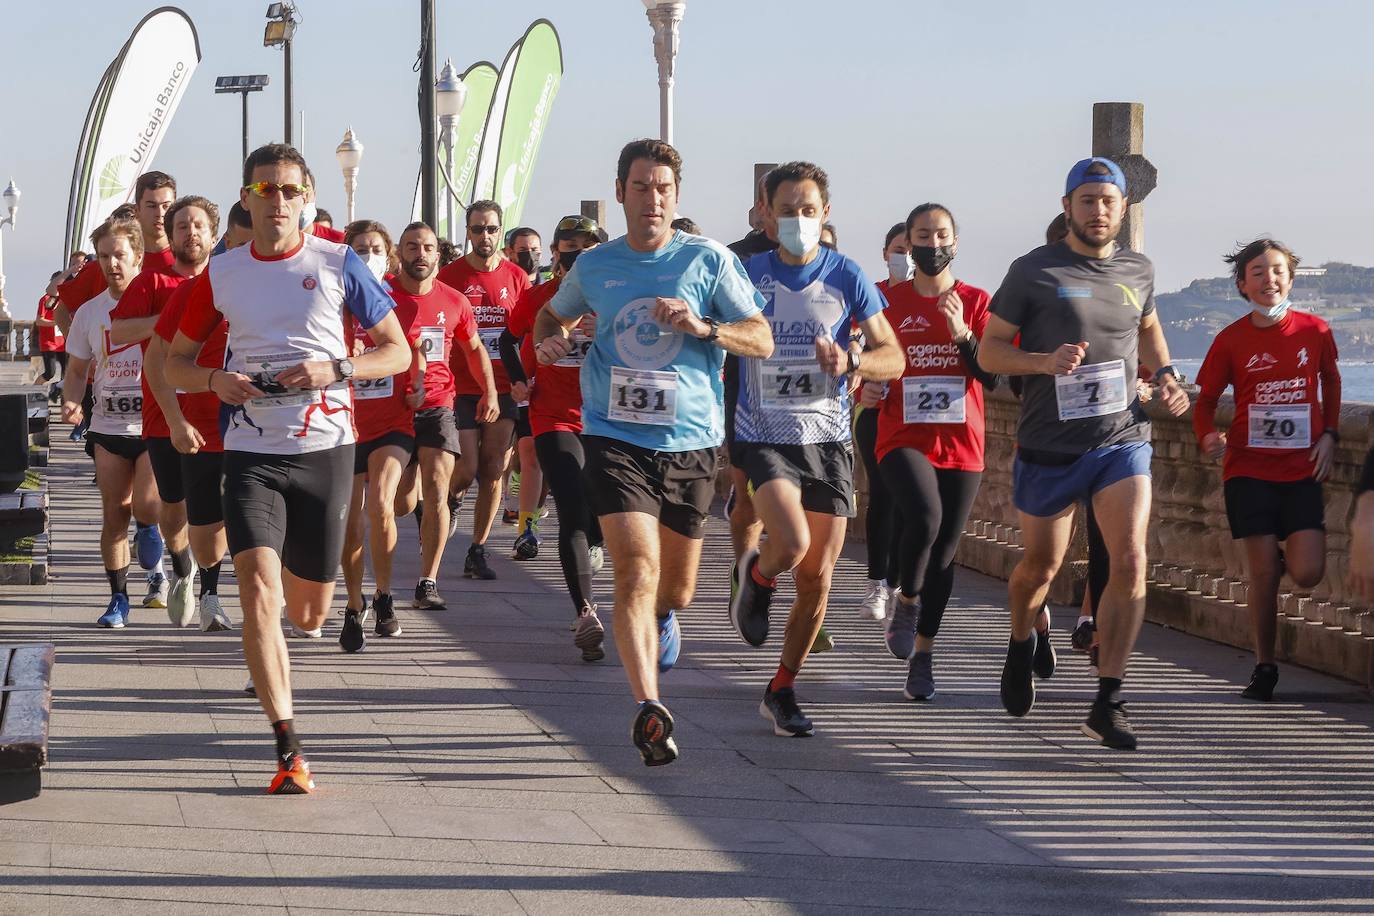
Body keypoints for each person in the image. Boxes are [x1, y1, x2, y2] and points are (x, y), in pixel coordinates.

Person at [166, 143, 410, 795]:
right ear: (245, 199)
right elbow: (175, 362)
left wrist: (339, 368)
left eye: (290, 190)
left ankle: (290, 644)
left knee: (305, 612)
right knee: (257, 594)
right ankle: (288, 747)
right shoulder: (221, 276)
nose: (278, 201)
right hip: (250, 452)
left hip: (326, 451)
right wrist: (214, 379)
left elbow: (398, 351)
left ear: (308, 197)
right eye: (265, 190)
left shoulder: (338, 262)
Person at [534, 138, 772, 765]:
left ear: (676, 195)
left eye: (663, 187)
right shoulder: (595, 266)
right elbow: (548, 320)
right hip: (614, 436)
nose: (652, 198)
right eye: (640, 186)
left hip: (691, 444)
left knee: (678, 590)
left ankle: (665, 619)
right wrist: (551, 342)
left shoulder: (709, 260)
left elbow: (762, 338)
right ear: (621, 194)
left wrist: (703, 328)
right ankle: (649, 705)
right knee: (636, 568)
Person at [978, 157, 1190, 750]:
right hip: (1050, 443)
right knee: (1039, 570)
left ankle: (1108, 697)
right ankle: (1021, 640)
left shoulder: (1138, 269)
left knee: (1128, 559)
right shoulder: (1033, 270)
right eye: (1088, 200)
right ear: (1067, 205)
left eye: (1109, 201)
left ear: (1125, 209)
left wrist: (1167, 372)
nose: (1099, 210)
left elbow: (1146, 327)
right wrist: (1042, 363)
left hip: (1121, 438)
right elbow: (991, 351)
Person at [728, 161, 902, 737]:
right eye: (786, 210)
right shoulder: (745, 274)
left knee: (820, 582)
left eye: (808, 209)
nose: (798, 219)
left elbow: (892, 356)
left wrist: (852, 361)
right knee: (795, 544)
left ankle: (782, 688)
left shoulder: (848, 276)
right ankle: (758, 577)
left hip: (827, 442)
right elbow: (711, 335)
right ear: (766, 214)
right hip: (765, 436)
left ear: (825, 213)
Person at [860, 203, 998, 700]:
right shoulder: (883, 302)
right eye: (923, 235)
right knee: (922, 515)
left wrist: (962, 333)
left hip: (962, 444)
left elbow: (992, 376)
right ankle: (908, 598)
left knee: (943, 555)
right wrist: (866, 389)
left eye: (942, 235)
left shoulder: (977, 301)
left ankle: (923, 654)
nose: (933, 244)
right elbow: (864, 362)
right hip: (901, 436)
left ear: (955, 243)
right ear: (909, 242)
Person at [1194, 238, 1339, 701]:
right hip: (1248, 469)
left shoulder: (1315, 331)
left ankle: (1280, 559)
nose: (1268, 279)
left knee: (1310, 572)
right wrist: (1207, 437)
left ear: (1290, 278)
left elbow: (1331, 382)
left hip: (1300, 468)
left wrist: (1331, 435)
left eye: (1276, 271)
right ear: (1242, 284)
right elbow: (1207, 401)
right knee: (1261, 577)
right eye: (1257, 272)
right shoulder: (1230, 339)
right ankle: (1264, 666)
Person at [109, 195, 220, 629]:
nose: (190, 233)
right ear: (168, 237)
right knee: (171, 507)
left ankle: (211, 592)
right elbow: (118, 329)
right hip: (164, 412)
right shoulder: (152, 283)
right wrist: (174, 319)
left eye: (198, 226)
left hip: (220, 414)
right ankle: (181, 566)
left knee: (214, 508)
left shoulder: (229, 282)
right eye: (181, 227)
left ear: (213, 235)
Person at [501, 214, 607, 660]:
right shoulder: (540, 297)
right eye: (568, 247)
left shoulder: (612, 295)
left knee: (596, 508)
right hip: (552, 414)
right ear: (557, 254)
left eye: (587, 247)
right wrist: (518, 379)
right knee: (569, 504)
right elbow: (508, 340)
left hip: (605, 418)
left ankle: (596, 540)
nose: (576, 254)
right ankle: (585, 613)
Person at [61, 217, 162, 628]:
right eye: (104, 256)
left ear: (138, 256)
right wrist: (72, 402)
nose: (111, 264)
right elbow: (75, 370)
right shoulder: (89, 313)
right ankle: (118, 600)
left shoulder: (160, 304)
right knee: (114, 512)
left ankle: (152, 528)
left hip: (154, 424)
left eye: (119, 255)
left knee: (146, 505)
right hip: (108, 425)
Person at [149, 211, 247, 636]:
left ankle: (258, 598)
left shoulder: (288, 290)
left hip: (267, 432)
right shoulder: (195, 290)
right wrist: (175, 420)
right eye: (242, 242)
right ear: (227, 241)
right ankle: (201, 580)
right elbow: (158, 361)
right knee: (204, 530)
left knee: (253, 516)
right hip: (203, 427)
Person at [384, 223, 491, 610]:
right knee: (398, 502)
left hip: (438, 403)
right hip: (391, 408)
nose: (420, 254)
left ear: (438, 254)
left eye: (428, 247)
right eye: (412, 246)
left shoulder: (454, 300)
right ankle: (408, 492)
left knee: (437, 486)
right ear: (400, 251)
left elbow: (475, 348)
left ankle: (427, 581)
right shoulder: (381, 295)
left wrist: (489, 391)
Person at [338, 219, 426, 652]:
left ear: (388, 254)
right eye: (359, 248)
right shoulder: (332, 298)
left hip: (393, 422)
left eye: (375, 248)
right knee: (350, 521)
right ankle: (355, 604)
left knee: (381, 505)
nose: (368, 255)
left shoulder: (398, 299)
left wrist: (419, 384)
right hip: (344, 423)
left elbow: (414, 350)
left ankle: (385, 593)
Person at [437, 200, 527, 579]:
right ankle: (451, 501)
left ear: (500, 232)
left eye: (491, 229)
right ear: (468, 233)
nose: (484, 236)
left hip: (503, 386)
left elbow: (525, 331)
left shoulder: (516, 278)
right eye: (477, 229)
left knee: (493, 470)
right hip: (461, 386)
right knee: (467, 466)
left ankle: (478, 548)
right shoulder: (450, 276)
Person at [853, 222, 913, 620]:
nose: (904, 256)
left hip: (923, 417)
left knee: (914, 505)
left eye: (910, 248)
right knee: (884, 497)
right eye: (897, 249)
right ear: (885, 253)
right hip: (876, 413)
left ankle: (899, 582)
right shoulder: (870, 296)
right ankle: (878, 584)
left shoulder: (941, 298)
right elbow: (851, 351)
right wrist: (862, 391)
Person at [55, 172, 178, 334]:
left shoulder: (185, 262)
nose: (160, 213)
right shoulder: (108, 262)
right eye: (151, 206)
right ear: (138, 210)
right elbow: (61, 311)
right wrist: (80, 350)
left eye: (166, 206)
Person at [35, 273, 67, 397]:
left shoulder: (64, 299)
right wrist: (56, 322)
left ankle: (63, 397)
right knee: (50, 373)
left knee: (67, 373)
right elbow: (39, 320)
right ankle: (35, 393)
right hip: (49, 343)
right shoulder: (46, 299)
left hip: (62, 343)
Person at [300, 169, 346, 243]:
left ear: (314, 194)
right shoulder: (275, 246)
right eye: (293, 190)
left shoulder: (342, 244)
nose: (302, 197)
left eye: (306, 190)